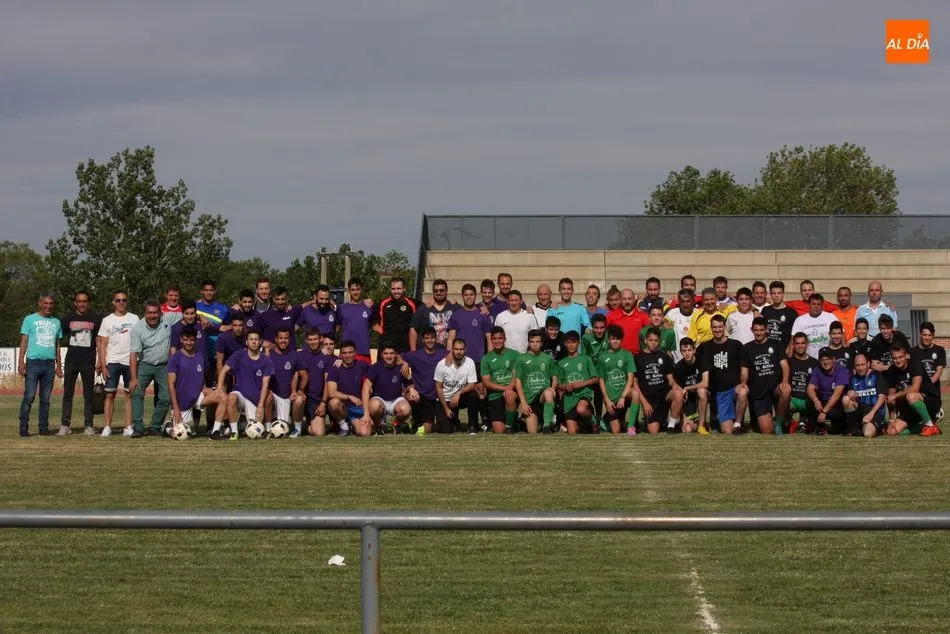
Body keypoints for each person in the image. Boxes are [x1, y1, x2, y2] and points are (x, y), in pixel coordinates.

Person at [128, 300, 182, 437]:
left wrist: (201, 317)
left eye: (155, 313)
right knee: (136, 392)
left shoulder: (168, 319)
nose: (152, 316)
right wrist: (133, 378)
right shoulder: (138, 329)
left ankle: (155, 427)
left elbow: (187, 314)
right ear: (145, 313)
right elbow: (133, 354)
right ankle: (138, 428)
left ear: (160, 313)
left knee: (166, 397)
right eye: (149, 313)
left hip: (164, 366)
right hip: (144, 365)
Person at [211, 330, 274, 440]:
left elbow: (265, 384)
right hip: (241, 394)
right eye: (251, 339)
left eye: (256, 339)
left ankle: (268, 430)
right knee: (232, 397)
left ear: (260, 342)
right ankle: (234, 432)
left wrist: (260, 405)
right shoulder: (238, 355)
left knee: (269, 398)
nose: (253, 342)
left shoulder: (266, 360)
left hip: (255, 398)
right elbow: (224, 370)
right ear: (246, 342)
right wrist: (220, 388)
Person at [17, 293, 63, 437]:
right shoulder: (29, 319)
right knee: (29, 396)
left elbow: (57, 345)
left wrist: (59, 365)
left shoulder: (56, 322)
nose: (48, 306)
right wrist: (20, 362)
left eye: (51, 303)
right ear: (40, 303)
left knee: (45, 399)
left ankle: (43, 428)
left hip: (49, 364)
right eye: (46, 303)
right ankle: (23, 427)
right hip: (33, 362)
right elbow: (24, 341)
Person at [167, 327, 226, 433]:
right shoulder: (175, 358)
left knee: (222, 396)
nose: (188, 343)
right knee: (182, 433)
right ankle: (167, 427)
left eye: (191, 340)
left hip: (198, 397)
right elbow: (171, 385)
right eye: (186, 340)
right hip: (182, 403)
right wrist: (175, 408)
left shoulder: (201, 356)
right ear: (181, 339)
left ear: (196, 340)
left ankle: (215, 430)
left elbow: (200, 375)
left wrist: (205, 387)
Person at [97, 290, 139, 437]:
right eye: (118, 300)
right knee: (110, 395)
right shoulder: (107, 320)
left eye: (124, 300)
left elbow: (139, 339)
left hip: (130, 362)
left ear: (127, 302)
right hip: (113, 361)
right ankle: (107, 427)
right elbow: (103, 344)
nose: (121, 303)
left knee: (129, 395)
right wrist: (103, 365)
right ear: (113, 302)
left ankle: (128, 427)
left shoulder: (134, 318)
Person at [59, 290, 101, 436]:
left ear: (88, 303)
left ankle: (89, 425)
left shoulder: (96, 319)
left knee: (88, 395)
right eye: (79, 301)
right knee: (68, 394)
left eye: (85, 301)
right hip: (71, 361)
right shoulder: (67, 319)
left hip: (88, 362)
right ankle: (65, 425)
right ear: (75, 303)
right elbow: (58, 337)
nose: (82, 304)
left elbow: (99, 340)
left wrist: (100, 360)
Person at [740, 317, 791, 435]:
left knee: (785, 391)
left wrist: (785, 382)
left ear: (766, 330)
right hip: (759, 391)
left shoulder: (776, 344)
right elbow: (744, 370)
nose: (758, 333)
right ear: (751, 330)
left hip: (775, 387)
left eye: (761, 330)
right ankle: (781, 419)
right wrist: (743, 383)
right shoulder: (747, 348)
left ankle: (779, 422)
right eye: (756, 330)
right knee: (766, 431)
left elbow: (785, 366)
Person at [697, 314, 746, 435]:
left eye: (720, 327)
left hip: (734, 389)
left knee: (743, 391)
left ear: (724, 327)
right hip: (720, 393)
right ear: (711, 328)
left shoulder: (736, 345)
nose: (717, 330)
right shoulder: (704, 347)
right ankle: (723, 420)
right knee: (727, 431)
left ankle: (738, 424)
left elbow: (744, 368)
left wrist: (742, 383)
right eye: (714, 327)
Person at [884, 342, 942, 436]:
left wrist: (895, 395)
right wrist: (891, 420)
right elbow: (891, 398)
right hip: (911, 406)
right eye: (895, 358)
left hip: (930, 400)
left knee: (911, 396)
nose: (898, 360)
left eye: (900, 357)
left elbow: (915, 388)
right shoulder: (891, 370)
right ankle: (922, 426)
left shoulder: (915, 364)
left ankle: (930, 425)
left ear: (906, 355)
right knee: (892, 431)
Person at [635, 327, 683, 435]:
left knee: (678, 394)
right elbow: (635, 383)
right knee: (653, 431)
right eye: (651, 340)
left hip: (664, 394)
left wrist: (676, 386)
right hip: (650, 398)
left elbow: (670, 379)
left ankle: (671, 425)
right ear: (645, 340)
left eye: (656, 340)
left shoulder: (664, 356)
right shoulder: (638, 358)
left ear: (659, 341)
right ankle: (655, 421)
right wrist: (644, 402)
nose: (653, 343)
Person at [360, 344, 412, 433]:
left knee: (406, 409)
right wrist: (366, 414)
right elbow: (365, 389)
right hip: (380, 400)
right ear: (381, 355)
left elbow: (410, 383)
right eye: (386, 353)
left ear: (396, 354)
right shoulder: (375, 367)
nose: (389, 356)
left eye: (391, 353)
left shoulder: (401, 367)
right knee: (374, 406)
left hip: (396, 399)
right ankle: (379, 425)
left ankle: (397, 424)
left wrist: (412, 389)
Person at [403, 327, 446, 435]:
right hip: (419, 395)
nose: (429, 340)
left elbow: (455, 353)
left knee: (427, 430)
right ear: (422, 340)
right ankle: (415, 421)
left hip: (434, 396)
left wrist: (450, 356)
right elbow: (396, 357)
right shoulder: (415, 355)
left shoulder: (442, 353)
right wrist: (404, 363)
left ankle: (416, 423)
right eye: (427, 338)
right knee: (411, 397)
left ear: (436, 338)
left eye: (432, 338)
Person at [513, 329, 558, 434]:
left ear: (542, 343)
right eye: (532, 341)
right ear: (528, 343)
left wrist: (553, 389)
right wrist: (523, 403)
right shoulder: (521, 359)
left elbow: (554, 377)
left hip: (542, 397)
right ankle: (525, 421)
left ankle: (547, 426)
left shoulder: (548, 358)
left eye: (537, 341)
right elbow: (517, 381)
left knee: (548, 393)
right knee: (533, 432)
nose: (535, 344)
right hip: (529, 400)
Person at [555, 330, 599, 434]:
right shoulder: (561, 363)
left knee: (581, 409)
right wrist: (565, 387)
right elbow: (559, 385)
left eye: (574, 342)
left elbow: (595, 379)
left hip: (583, 395)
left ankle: (593, 421)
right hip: (569, 399)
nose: (571, 345)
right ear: (565, 344)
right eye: (569, 342)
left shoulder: (586, 359)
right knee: (572, 432)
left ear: (578, 343)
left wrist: (581, 384)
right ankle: (583, 425)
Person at [599, 325, 640, 435]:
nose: (615, 341)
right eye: (613, 339)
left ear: (621, 340)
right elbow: (601, 379)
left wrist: (623, 396)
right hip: (611, 397)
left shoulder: (627, 354)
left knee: (636, 393)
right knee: (616, 431)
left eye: (618, 339)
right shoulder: (602, 357)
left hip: (624, 394)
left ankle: (631, 426)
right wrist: (606, 399)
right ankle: (606, 419)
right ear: (608, 340)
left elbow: (630, 377)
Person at [265, 328, 307, 437]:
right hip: (273, 394)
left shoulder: (295, 355)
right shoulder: (269, 355)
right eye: (280, 338)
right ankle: (267, 429)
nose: (283, 341)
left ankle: (297, 429)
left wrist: (300, 390)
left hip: (288, 396)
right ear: (276, 339)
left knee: (299, 400)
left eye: (286, 338)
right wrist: (267, 389)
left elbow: (304, 376)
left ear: (289, 339)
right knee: (267, 397)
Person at [434, 337, 480, 434]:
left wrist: (459, 393)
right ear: (452, 349)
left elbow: (472, 384)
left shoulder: (470, 362)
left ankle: (472, 426)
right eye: (456, 349)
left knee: (474, 396)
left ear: (465, 349)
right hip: (445, 400)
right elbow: (439, 388)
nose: (459, 352)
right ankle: (455, 421)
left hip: (459, 398)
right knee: (445, 430)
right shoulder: (442, 364)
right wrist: (446, 408)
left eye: (461, 349)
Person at [326, 340, 371, 437]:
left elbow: (379, 368)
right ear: (340, 355)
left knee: (364, 433)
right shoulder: (334, 368)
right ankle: (344, 426)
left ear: (355, 353)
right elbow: (331, 392)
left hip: (359, 407)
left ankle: (355, 424)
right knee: (333, 403)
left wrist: (402, 362)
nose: (347, 355)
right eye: (344, 353)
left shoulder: (363, 365)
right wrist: (349, 397)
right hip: (344, 408)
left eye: (350, 352)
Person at [481, 327, 521, 433]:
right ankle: (515, 421)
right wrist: (505, 388)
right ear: (491, 340)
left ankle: (510, 427)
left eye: (500, 338)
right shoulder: (486, 358)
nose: (497, 341)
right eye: (494, 338)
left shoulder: (514, 354)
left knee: (510, 396)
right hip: (495, 395)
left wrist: (509, 389)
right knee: (498, 430)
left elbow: (516, 375)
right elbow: (486, 383)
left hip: (511, 391)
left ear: (505, 339)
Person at [806, 347, 850, 435]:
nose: (825, 362)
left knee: (837, 431)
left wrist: (824, 412)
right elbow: (809, 388)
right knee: (810, 399)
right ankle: (818, 427)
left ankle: (842, 425)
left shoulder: (841, 370)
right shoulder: (817, 370)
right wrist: (816, 400)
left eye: (828, 359)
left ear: (833, 359)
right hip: (823, 402)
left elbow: (837, 395)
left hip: (837, 404)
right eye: (822, 360)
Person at [842, 353, 887, 437]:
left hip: (876, 412)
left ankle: (879, 427)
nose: (860, 368)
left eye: (862, 365)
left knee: (868, 434)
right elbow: (848, 395)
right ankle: (853, 428)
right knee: (846, 399)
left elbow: (882, 397)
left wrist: (871, 414)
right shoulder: (853, 379)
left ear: (868, 364)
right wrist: (849, 392)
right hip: (861, 411)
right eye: (857, 365)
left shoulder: (877, 375)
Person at [299, 328, 332, 436]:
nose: (313, 342)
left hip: (316, 400)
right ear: (306, 340)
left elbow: (327, 381)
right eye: (310, 339)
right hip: (303, 397)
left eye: (315, 339)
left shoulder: (326, 357)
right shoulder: (300, 355)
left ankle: (304, 425)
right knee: (298, 400)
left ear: (321, 339)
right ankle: (297, 426)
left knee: (319, 433)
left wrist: (323, 402)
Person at [372, 277, 417, 353]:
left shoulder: (413, 304)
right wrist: (380, 330)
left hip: (405, 347)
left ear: (404, 289)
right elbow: (370, 317)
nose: (396, 291)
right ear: (390, 289)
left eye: (399, 288)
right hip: (386, 347)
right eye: (393, 289)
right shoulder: (383, 303)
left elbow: (427, 308)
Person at [410, 279, 457, 350]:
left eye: (441, 290)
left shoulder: (455, 308)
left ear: (447, 291)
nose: (439, 293)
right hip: (426, 353)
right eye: (436, 291)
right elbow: (413, 329)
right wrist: (413, 352)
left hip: (448, 353)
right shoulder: (423, 309)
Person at [673, 337, 708, 434]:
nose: (687, 353)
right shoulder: (678, 367)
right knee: (687, 430)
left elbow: (705, 383)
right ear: (681, 352)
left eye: (689, 350)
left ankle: (701, 425)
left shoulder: (702, 360)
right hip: (689, 400)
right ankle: (692, 421)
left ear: (694, 350)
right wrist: (683, 418)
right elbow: (679, 393)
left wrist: (687, 387)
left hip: (705, 395)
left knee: (701, 390)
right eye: (684, 351)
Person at [912, 322, 945, 423]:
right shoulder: (913, 352)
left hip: (933, 392)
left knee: (931, 422)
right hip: (918, 391)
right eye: (925, 335)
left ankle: (936, 413)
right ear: (920, 334)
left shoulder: (939, 350)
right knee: (918, 421)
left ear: (933, 336)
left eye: (930, 335)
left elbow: (939, 371)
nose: (927, 338)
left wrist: (927, 386)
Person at [786, 332, 818, 434]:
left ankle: (804, 421)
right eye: (797, 343)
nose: (800, 346)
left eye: (803, 343)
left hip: (807, 400)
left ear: (807, 343)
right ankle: (789, 420)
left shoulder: (815, 363)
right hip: (792, 399)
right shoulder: (788, 362)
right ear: (793, 345)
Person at [337, 277, 374, 364]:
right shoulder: (341, 308)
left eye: (358, 289)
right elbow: (336, 328)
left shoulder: (369, 306)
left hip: (363, 351)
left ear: (362, 290)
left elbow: (376, 325)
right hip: (345, 352)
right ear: (349, 291)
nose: (355, 292)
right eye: (353, 290)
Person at [790, 294, 837, 359]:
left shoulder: (831, 317)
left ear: (822, 306)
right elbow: (792, 342)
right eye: (813, 304)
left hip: (827, 359)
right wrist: (790, 359)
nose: (816, 306)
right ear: (808, 305)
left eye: (818, 304)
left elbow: (841, 336)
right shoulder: (800, 320)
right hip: (808, 360)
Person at [607, 288, 649, 355]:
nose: (627, 302)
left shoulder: (643, 315)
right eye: (624, 299)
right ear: (620, 300)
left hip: (637, 355)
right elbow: (602, 330)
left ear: (634, 300)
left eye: (630, 299)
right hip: (618, 355)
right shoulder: (611, 315)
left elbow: (652, 332)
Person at [760, 281, 800, 349]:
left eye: (779, 293)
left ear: (783, 294)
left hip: (784, 351)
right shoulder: (765, 310)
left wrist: (788, 351)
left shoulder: (792, 313)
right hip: (767, 350)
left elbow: (794, 336)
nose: (776, 295)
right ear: (770, 294)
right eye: (774, 293)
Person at [665, 289, 696, 362]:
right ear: (679, 302)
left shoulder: (698, 314)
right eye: (683, 301)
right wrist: (665, 322)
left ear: (693, 301)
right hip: (676, 360)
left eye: (688, 301)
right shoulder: (672, 313)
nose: (685, 304)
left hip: (694, 360)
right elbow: (663, 323)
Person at [215, 315, 246, 379]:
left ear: (244, 326)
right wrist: (221, 382)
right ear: (231, 326)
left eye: (240, 325)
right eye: (235, 325)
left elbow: (265, 344)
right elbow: (219, 362)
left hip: (245, 370)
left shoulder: (249, 336)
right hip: (228, 371)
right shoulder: (223, 338)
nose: (238, 329)